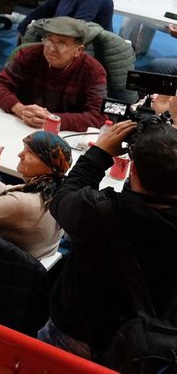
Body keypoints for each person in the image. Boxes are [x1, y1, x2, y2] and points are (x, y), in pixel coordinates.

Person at [36, 120, 177, 362]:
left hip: (77, 339)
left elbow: (62, 199)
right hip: (150, 350)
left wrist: (99, 152)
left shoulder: (98, 212)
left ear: (132, 170)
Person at [0, 126, 72, 260]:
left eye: (30, 152)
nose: (20, 154)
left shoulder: (26, 202)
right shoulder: (54, 189)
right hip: (21, 262)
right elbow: (4, 193)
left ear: (49, 167)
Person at [0, 16, 107, 132]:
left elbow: (99, 117)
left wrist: (52, 119)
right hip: (19, 123)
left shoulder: (94, 71)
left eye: (61, 44)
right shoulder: (28, 54)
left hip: (60, 135)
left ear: (78, 50)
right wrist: (19, 109)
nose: (51, 49)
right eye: (49, 40)